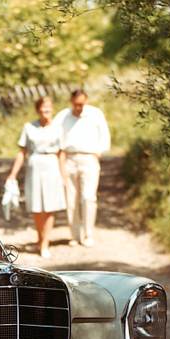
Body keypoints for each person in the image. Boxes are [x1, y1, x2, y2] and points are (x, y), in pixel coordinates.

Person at [4, 96, 66, 258]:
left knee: (50, 207)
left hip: (51, 165)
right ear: (38, 110)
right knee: (37, 207)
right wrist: (12, 174)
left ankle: (45, 243)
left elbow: (61, 154)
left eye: (49, 108)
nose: (46, 111)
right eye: (43, 108)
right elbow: (21, 153)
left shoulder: (59, 128)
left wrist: (63, 175)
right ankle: (40, 238)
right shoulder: (29, 127)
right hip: (35, 166)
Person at [56, 88, 110, 247]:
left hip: (89, 158)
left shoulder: (95, 114)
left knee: (88, 197)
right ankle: (74, 235)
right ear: (71, 102)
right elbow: (56, 136)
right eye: (76, 104)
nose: (79, 107)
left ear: (86, 101)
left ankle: (88, 234)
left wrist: (98, 152)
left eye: (82, 104)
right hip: (70, 158)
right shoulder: (63, 116)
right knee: (71, 198)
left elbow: (104, 135)